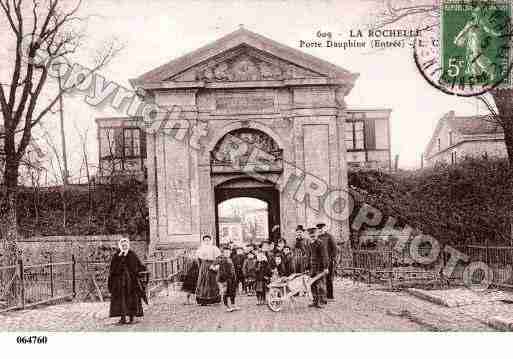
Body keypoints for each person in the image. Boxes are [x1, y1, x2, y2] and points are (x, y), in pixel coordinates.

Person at [108, 237, 147, 324]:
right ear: (120, 246)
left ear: (128, 245)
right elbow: (112, 268)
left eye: (126, 245)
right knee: (120, 299)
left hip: (131, 282)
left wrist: (142, 269)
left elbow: (138, 265)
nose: (124, 246)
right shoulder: (117, 255)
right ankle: (122, 318)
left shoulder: (131, 254)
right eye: (123, 245)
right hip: (119, 283)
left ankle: (131, 317)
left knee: (131, 298)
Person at [195, 235, 222, 305]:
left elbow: (218, 258)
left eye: (208, 240)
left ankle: (214, 300)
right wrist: (200, 267)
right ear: (203, 241)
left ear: (210, 241)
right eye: (205, 240)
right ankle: (203, 300)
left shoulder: (214, 248)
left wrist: (214, 265)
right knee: (203, 282)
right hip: (204, 267)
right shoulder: (201, 249)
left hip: (211, 265)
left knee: (212, 281)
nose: (207, 241)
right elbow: (198, 259)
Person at [308, 227, 329, 309]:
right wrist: (308, 267)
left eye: (313, 235)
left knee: (320, 285)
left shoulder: (321, 243)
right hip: (313, 267)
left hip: (320, 267)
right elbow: (309, 256)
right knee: (312, 284)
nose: (312, 236)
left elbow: (325, 256)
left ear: (316, 235)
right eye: (311, 235)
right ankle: (315, 300)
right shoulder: (310, 244)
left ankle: (322, 301)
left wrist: (326, 267)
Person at [317, 223, 338, 302]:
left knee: (329, 278)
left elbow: (335, 249)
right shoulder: (318, 237)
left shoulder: (329, 237)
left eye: (322, 228)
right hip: (320, 261)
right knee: (321, 278)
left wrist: (331, 258)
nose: (321, 230)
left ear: (325, 228)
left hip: (328, 261)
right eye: (319, 229)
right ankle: (322, 295)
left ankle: (330, 296)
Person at [217, 246, 239, 312]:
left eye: (228, 252)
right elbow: (222, 272)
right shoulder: (222, 260)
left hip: (231, 279)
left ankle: (233, 304)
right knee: (225, 293)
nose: (227, 253)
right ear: (223, 253)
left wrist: (234, 278)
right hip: (225, 280)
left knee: (232, 293)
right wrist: (225, 279)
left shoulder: (230, 259)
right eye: (225, 252)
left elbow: (233, 270)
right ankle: (226, 306)